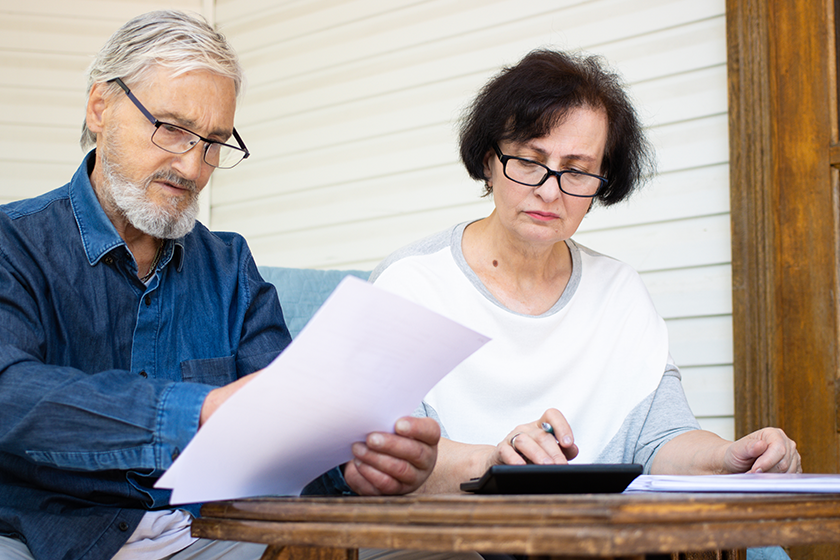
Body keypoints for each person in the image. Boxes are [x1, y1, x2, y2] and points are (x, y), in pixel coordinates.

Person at [0, 11, 445, 560]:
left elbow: (291, 421)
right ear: (100, 107)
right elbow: (9, 394)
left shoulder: (229, 265)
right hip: (56, 537)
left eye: (213, 142)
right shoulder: (12, 243)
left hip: (208, 531)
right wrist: (201, 410)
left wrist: (360, 464)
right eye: (171, 127)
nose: (192, 166)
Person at [370, 49, 799, 559]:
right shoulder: (411, 283)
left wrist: (729, 458)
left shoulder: (619, 290)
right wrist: (495, 465)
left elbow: (661, 440)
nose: (551, 191)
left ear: (603, 183)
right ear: (489, 158)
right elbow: (385, 458)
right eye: (530, 161)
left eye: (578, 171)